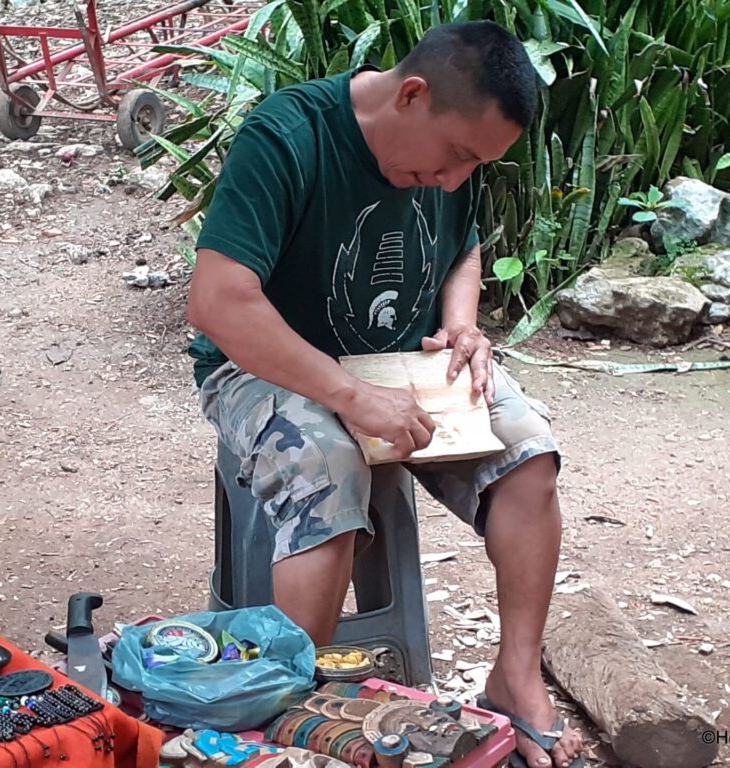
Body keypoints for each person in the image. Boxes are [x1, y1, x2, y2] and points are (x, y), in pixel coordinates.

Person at [187, 21, 584, 768]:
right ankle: (299, 711)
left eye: (479, 165)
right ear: (411, 95)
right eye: (461, 155)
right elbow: (219, 301)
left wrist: (461, 326)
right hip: (263, 368)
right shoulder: (289, 136)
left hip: (398, 363)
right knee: (330, 463)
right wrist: (347, 394)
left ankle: (516, 676)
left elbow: (463, 245)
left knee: (530, 451)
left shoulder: (446, 161)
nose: (460, 178)